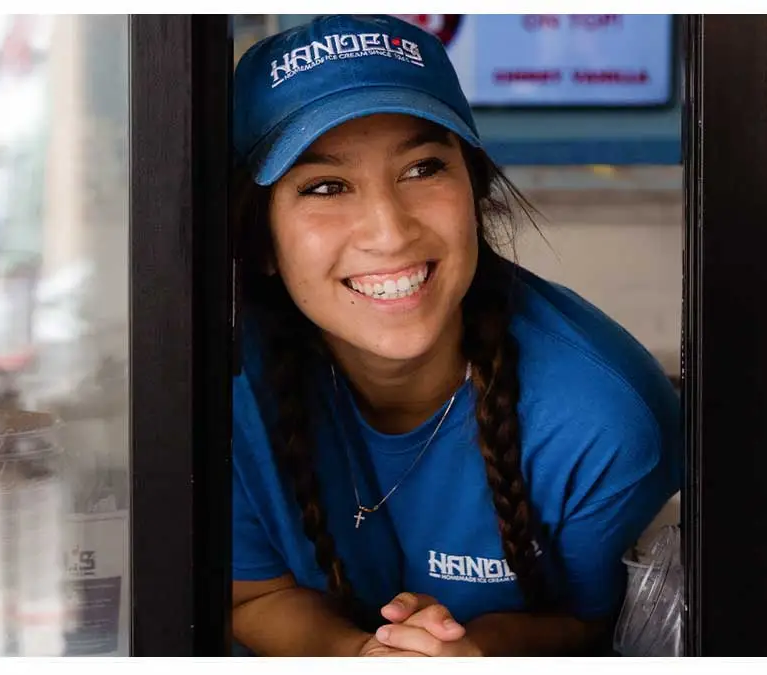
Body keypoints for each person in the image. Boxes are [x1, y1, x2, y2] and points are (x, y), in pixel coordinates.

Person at [230, 14, 682, 657]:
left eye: (422, 169)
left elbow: (591, 625)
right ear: (263, 240)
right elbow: (253, 595)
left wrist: (467, 651)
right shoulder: (220, 382)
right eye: (326, 186)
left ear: (474, 191)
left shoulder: (603, 419)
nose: (388, 231)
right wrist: (359, 656)